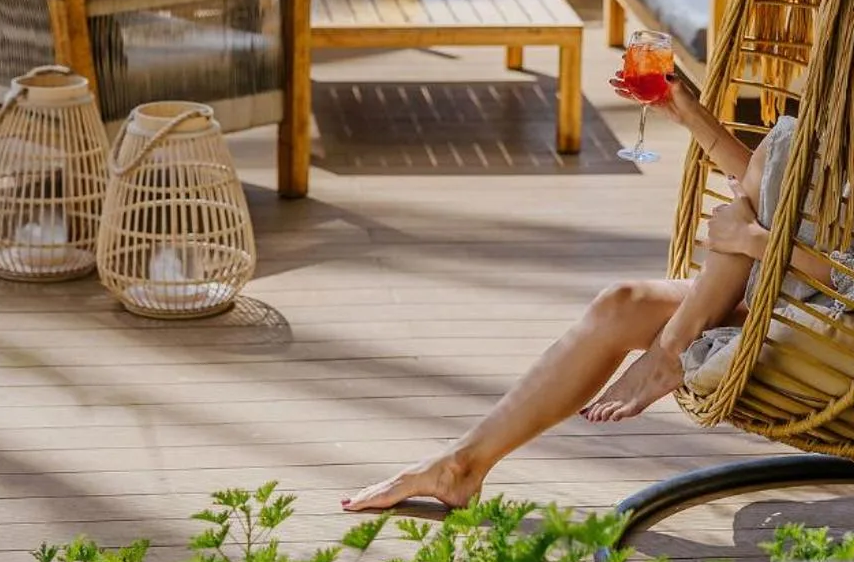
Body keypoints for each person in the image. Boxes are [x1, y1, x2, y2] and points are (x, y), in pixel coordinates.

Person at [341, 70, 820, 515]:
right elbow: (769, 186)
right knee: (621, 304)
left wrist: (755, 241)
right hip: (776, 283)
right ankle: (461, 465)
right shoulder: (844, 123)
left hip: (827, 309)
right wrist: (690, 113)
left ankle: (672, 349)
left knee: (772, 159)